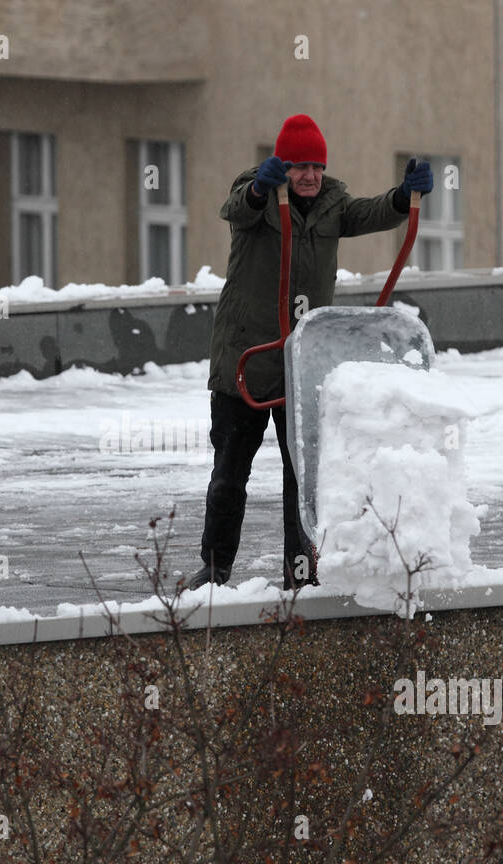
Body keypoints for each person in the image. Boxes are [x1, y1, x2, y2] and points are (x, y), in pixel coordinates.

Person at [190, 114, 432, 591]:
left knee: (303, 479)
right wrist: (262, 188)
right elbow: (236, 208)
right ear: (283, 165)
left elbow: (372, 212)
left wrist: (404, 198)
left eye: (316, 167)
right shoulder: (257, 196)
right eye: (300, 166)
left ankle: (300, 570)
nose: (310, 176)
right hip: (246, 359)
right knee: (229, 475)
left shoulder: (332, 204)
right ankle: (215, 567)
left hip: (301, 366)